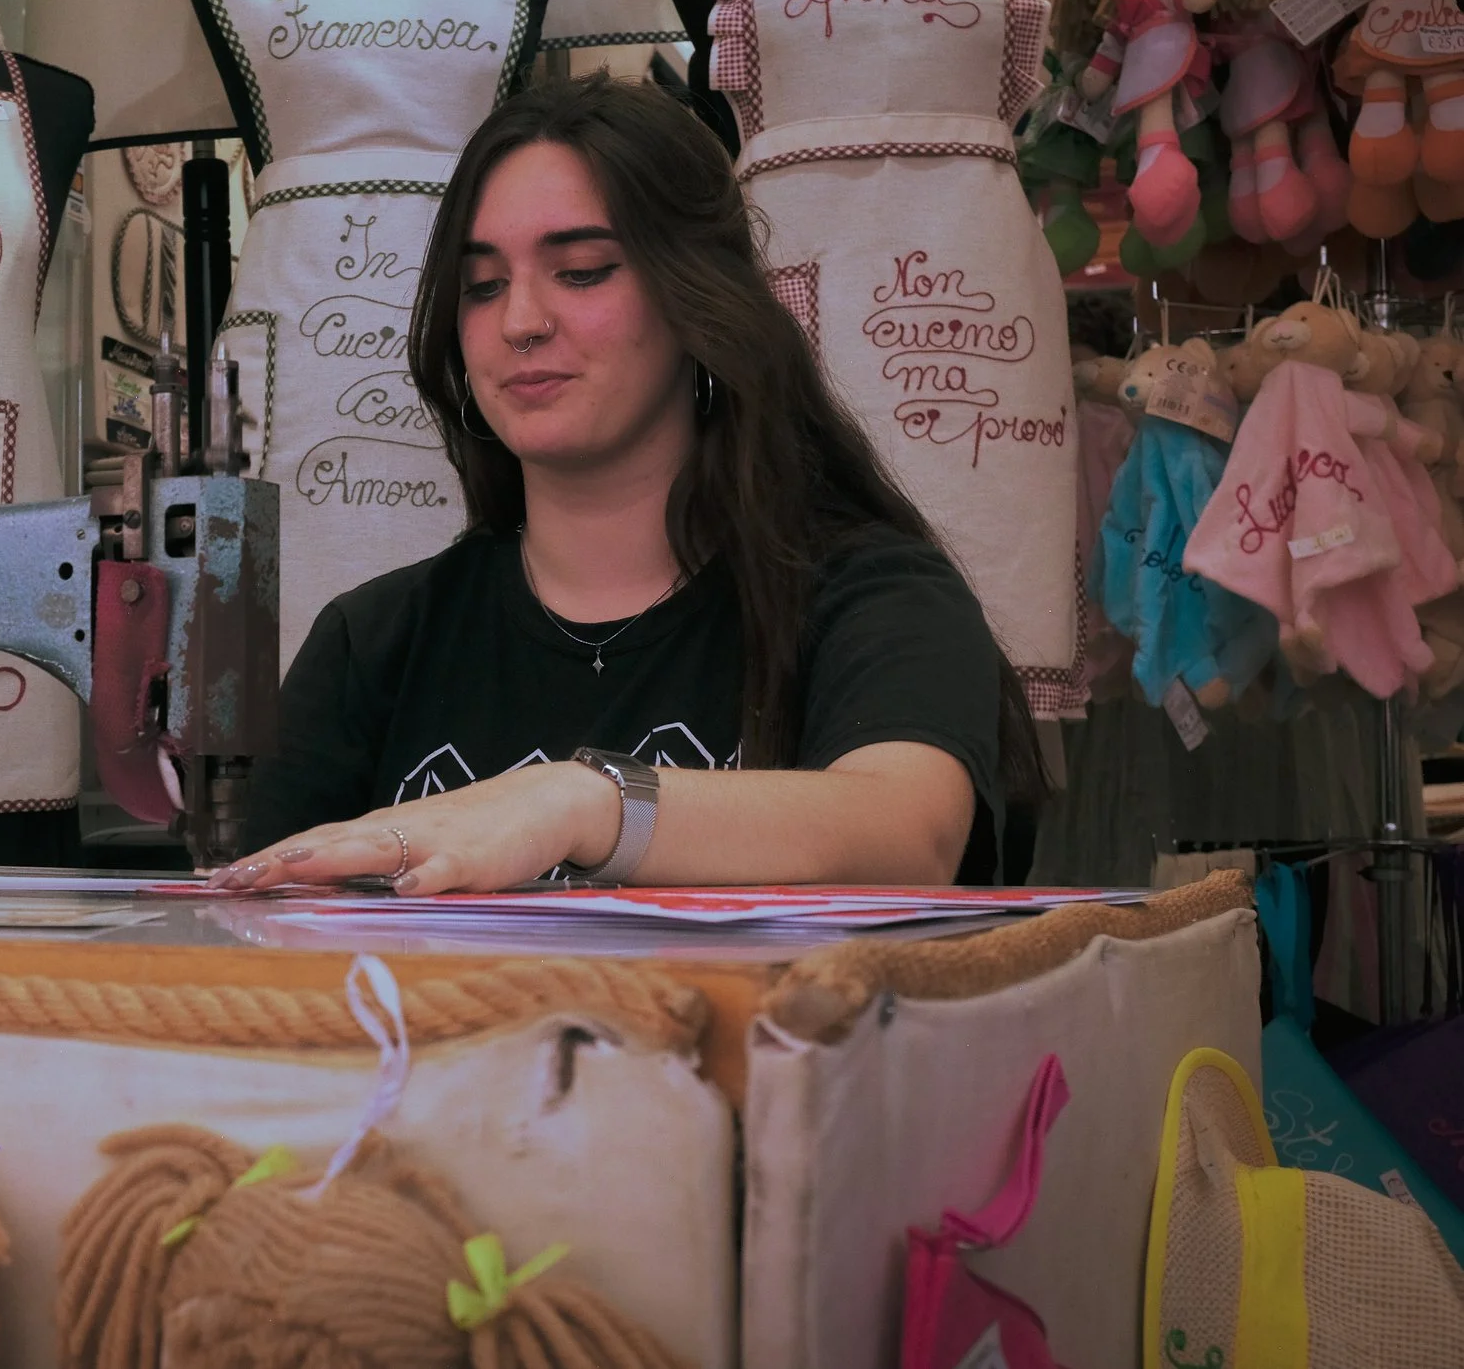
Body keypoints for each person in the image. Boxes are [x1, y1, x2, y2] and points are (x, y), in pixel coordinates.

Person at [212, 74, 1040, 897]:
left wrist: (578, 802)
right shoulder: (374, 644)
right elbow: (260, 955)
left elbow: (909, 833)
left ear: (698, 296)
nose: (520, 321)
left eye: (581, 270)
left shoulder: (874, 597)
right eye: (483, 285)